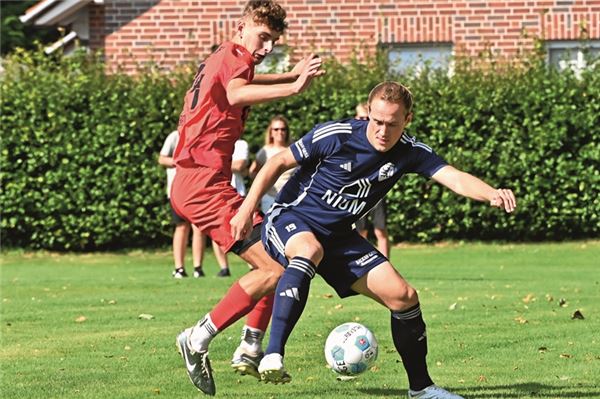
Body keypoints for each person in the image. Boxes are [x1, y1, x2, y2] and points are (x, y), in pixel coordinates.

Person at [230, 81, 516, 399]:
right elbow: (277, 162)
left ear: (407, 120)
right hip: (293, 217)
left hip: (339, 236)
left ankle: (421, 388)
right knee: (308, 250)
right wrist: (246, 209)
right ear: (368, 112)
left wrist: (491, 193)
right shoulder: (336, 134)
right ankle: (273, 354)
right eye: (377, 121)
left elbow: (451, 175)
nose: (382, 131)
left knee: (404, 296)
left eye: (392, 124)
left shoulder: (409, 151)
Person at [170, 0, 324, 395]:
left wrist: (287, 73)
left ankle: (250, 346)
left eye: (274, 40)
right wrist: (293, 85)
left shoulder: (229, 56)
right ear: (241, 28)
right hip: (203, 184)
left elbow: (239, 84)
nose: (268, 46)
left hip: (203, 182)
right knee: (275, 270)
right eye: (263, 37)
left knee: (280, 263)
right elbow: (237, 93)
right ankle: (200, 338)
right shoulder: (235, 57)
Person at [158, 130, 203, 278]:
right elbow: (162, 159)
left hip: (197, 189)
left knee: (198, 228)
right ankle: (179, 268)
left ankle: (198, 267)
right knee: (181, 227)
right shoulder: (175, 136)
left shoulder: (201, 135)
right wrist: (179, 162)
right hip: (177, 191)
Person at [354, 102, 390, 257]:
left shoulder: (380, 138)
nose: (364, 120)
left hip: (376, 191)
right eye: (361, 117)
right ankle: (363, 265)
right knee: (360, 231)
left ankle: (386, 265)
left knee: (380, 230)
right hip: (357, 192)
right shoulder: (351, 138)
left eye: (367, 118)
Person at [249, 115, 295, 213]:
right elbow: (253, 172)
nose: (280, 132)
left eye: (283, 129)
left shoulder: (294, 149)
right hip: (269, 198)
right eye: (276, 129)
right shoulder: (265, 151)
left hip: (291, 198)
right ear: (270, 132)